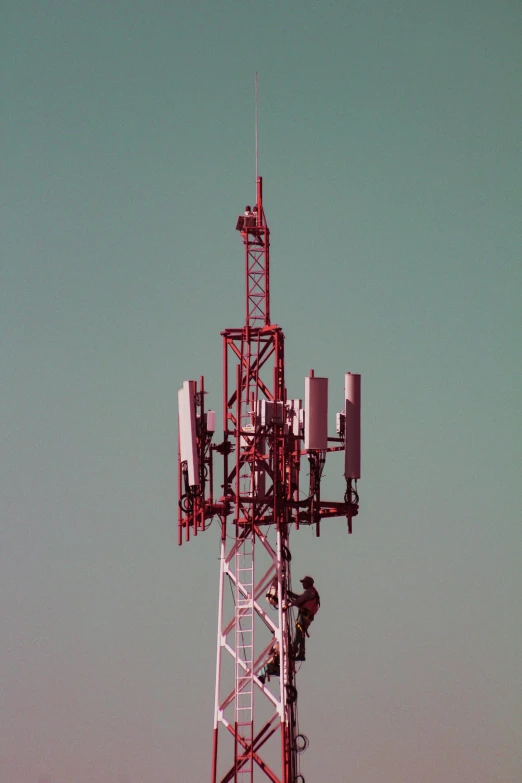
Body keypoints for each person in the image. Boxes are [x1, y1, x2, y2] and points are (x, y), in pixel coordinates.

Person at [284, 576, 320, 661]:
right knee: (301, 633)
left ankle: (294, 648)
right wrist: (289, 593)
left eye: (304, 582)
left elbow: (299, 600)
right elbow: (300, 598)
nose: (303, 584)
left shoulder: (310, 592)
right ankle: (301, 653)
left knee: (299, 631)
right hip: (307, 616)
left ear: (308, 584)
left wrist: (289, 605)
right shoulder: (311, 592)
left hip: (305, 615)